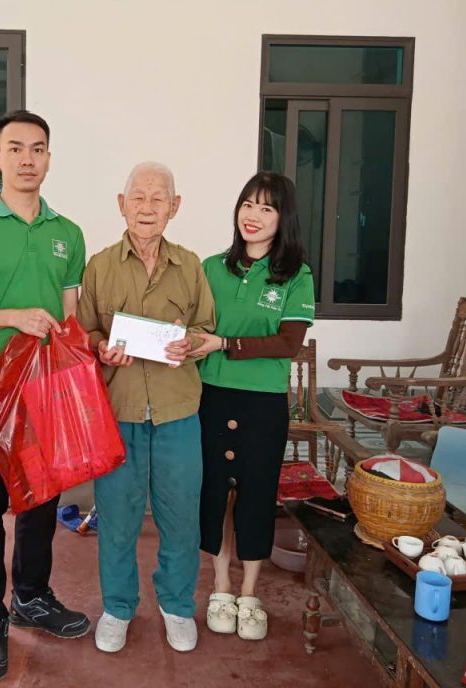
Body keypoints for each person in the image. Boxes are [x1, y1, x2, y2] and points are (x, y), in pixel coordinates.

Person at [0, 110, 90, 682]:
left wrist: (85, 357)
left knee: (43, 497)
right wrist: (14, 317)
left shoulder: (68, 233)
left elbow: (71, 315)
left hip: (46, 379)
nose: (28, 159)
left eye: (38, 149)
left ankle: (31, 595)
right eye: (16, 148)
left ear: (49, 158)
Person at [76, 161, 215, 654]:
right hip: (120, 411)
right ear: (122, 204)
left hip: (178, 411)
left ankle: (176, 605)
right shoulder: (100, 266)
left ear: (174, 207)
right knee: (117, 518)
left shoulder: (191, 266)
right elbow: (87, 331)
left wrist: (190, 342)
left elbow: (206, 329)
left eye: (159, 198)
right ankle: (117, 607)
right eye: (139, 197)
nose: (147, 207)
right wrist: (100, 348)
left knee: (181, 517)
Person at [186, 171, 315, 640]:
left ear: (283, 218)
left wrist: (224, 343)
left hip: (264, 402)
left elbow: (288, 343)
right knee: (216, 491)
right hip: (212, 394)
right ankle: (221, 586)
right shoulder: (211, 268)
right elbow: (192, 326)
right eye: (247, 204)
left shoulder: (296, 275)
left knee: (257, 493)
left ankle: (250, 593)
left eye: (266, 207)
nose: (253, 215)